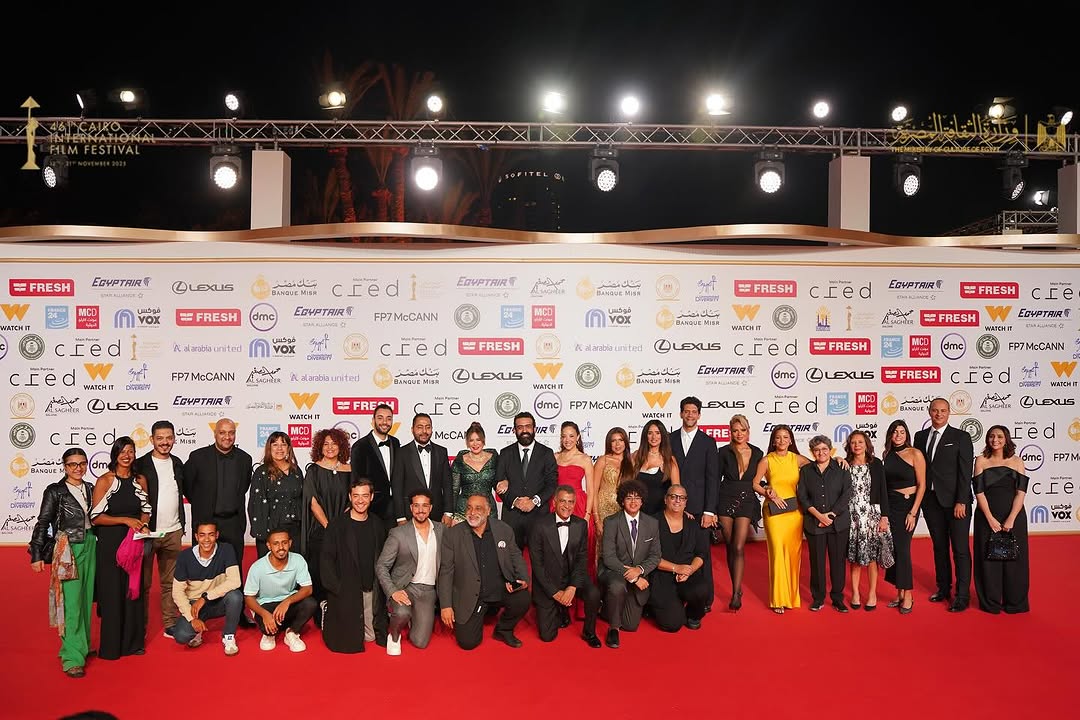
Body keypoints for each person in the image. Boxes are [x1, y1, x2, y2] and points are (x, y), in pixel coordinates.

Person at [29, 447, 96, 678]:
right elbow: (43, 522)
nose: (78, 468)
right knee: (70, 602)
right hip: (67, 548)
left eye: (82, 463)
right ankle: (71, 657)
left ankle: (81, 645)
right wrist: (36, 554)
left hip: (90, 543)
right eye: (72, 464)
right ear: (65, 467)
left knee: (86, 599)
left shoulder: (90, 488)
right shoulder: (55, 491)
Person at [438, 494, 531, 650]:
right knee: (468, 643)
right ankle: (481, 614)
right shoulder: (453, 535)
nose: (472, 512)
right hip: (472, 595)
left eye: (478, 508)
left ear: (488, 511)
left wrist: (523, 579)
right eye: (469, 508)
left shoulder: (503, 529)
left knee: (522, 598)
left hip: (500, 589)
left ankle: (504, 630)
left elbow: (516, 556)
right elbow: (446, 572)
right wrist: (445, 606)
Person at [89, 436, 151, 659]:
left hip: (134, 542)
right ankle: (112, 647)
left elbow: (146, 509)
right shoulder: (105, 480)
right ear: (115, 454)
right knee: (113, 593)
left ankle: (133, 644)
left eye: (130, 451)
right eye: (122, 451)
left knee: (132, 591)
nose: (127, 455)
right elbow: (96, 517)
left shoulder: (140, 480)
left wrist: (143, 524)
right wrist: (125, 520)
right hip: (110, 545)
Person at [913, 397, 975, 612]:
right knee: (939, 547)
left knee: (960, 549)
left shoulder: (961, 437)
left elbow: (965, 472)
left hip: (956, 503)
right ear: (929, 412)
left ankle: (962, 595)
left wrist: (962, 500)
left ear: (949, 413)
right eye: (935, 410)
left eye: (943, 410)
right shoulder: (920, 437)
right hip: (931, 502)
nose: (938, 414)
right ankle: (943, 588)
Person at [184, 418, 254, 603]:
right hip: (206, 521)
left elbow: (244, 487)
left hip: (233, 522)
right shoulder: (197, 457)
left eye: (231, 433)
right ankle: (197, 609)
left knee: (234, 568)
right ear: (215, 434)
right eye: (222, 432)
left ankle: (237, 610)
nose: (227, 437)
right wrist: (203, 506)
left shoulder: (245, 459)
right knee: (201, 568)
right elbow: (188, 488)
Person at [528, 485, 602, 647]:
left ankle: (589, 632)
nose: (567, 506)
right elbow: (537, 565)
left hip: (571, 576)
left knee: (593, 593)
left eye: (570, 502)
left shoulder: (580, 525)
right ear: (554, 502)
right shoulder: (539, 525)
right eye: (562, 501)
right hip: (549, 580)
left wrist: (572, 587)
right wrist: (555, 593)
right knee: (547, 636)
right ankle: (560, 609)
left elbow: (581, 559)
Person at [321, 479, 388, 652]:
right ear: (350, 497)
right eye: (356, 495)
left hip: (371, 591)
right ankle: (327, 608)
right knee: (348, 640)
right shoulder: (336, 526)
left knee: (371, 637)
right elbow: (326, 561)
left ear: (371, 497)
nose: (360, 500)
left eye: (365, 496)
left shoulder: (378, 524)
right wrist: (337, 589)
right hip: (346, 592)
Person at [376, 489, 446, 655]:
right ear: (411, 508)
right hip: (405, 587)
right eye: (416, 506)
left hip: (428, 591)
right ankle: (393, 635)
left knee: (420, 642)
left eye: (424, 506)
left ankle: (414, 615)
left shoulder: (442, 530)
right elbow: (381, 566)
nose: (420, 510)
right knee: (401, 613)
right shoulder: (398, 533)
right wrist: (393, 591)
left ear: (431, 508)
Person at [134, 420, 185, 638]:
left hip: (173, 531)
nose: (165, 442)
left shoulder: (178, 463)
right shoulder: (140, 465)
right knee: (143, 583)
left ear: (174, 439)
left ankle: (170, 623)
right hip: (147, 533)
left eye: (169, 438)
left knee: (170, 583)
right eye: (160, 438)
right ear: (152, 439)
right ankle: (139, 627)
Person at [752, 424, 809, 614]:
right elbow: (755, 483)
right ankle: (778, 599)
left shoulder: (797, 459)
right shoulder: (767, 460)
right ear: (773, 441)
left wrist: (839, 459)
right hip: (774, 512)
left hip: (794, 513)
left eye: (785, 437)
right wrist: (767, 491)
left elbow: (821, 466)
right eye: (778, 437)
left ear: (791, 440)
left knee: (793, 554)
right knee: (777, 553)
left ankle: (791, 597)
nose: (782, 440)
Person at [972, 426, 1029, 614]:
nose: (995, 440)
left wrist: (1011, 518)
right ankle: (991, 602)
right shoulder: (981, 460)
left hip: (1014, 516)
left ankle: (1015, 602)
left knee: (1015, 559)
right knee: (988, 559)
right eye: (991, 436)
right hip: (986, 516)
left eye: (999, 436)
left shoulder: (1017, 461)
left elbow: (1021, 493)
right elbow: (979, 492)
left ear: (1006, 439)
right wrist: (990, 518)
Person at [599, 479, 662, 648]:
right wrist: (634, 577)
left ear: (642, 501)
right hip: (614, 571)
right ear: (622, 501)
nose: (633, 502)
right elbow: (609, 557)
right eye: (628, 498)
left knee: (630, 625)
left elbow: (655, 555)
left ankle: (608, 607)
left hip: (638, 574)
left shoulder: (652, 523)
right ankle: (613, 629)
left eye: (637, 498)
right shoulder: (611, 522)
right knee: (617, 587)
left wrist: (640, 570)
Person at [670, 397, 719, 610]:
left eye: (694, 411)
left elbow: (712, 478)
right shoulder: (669, 439)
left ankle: (705, 599)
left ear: (699, 415)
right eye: (686, 411)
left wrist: (709, 510)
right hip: (673, 508)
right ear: (681, 413)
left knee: (701, 554)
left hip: (699, 510)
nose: (690, 415)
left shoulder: (708, 442)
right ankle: (674, 597)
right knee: (674, 552)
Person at [797, 435, 853, 613]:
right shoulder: (806, 471)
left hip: (838, 524)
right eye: (817, 450)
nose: (821, 453)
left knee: (838, 563)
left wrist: (831, 515)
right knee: (817, 563)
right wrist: (819, 516)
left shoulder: (841, 467)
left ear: (830, 450)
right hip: (814, 524)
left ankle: (837, 598)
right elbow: (803, 497)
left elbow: (847, 494)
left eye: (824, 449)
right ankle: (818, 598)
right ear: (812, 452)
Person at [170, 521, 242, 655]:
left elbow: (235, 581)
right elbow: (177, 592)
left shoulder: (226, 550)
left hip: (217, 600)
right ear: (196, 537)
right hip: (195, 606)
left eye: (211, 535)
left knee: (236, 597)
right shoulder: (185, 557)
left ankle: (229, 636)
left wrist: (205, 598)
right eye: (202, 535)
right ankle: (198, 631)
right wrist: (192, 619)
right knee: (181, 635)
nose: (207, 539)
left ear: (217, 535)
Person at [716, 414, 764, 611]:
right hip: (725, 498)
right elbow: (715, 479)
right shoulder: (723, 452)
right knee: (729, 545)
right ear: (731, 432)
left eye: (742, 430)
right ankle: (735, 586)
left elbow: (762, 476)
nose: (739, 434)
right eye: (735, 430)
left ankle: (736, 592)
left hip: (746, 500)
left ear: (748, 431)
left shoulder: (758, 452)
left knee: (738, 546)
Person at [302, 427, 352, 616]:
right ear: (319, 447)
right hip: (320, 530)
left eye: (334, 443)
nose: (330, 447)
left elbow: (353, 501)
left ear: (341, 446)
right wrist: (329, 527)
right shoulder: (313, 470)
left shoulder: (350, 470)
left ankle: (341, 609)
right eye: (326, 444)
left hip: (344, 529)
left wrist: (339, 526)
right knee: (320, 570)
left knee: (343, 570)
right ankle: (321, 610)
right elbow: (313, 502)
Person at [243, 528, 317, 652]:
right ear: (268, 546)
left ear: (290, 543)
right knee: (266, 627)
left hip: (287, 603)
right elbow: (248, 598)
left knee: (311, 603)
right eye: (276, 544)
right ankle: (269, 635)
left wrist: (287, 601)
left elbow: (308, 589)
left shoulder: (298, 560)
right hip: (266, 605)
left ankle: (291, 632)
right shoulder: (257, 567)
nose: (281, 547)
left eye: (284, 542)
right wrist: (264, 614)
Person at [844, 430, 894, 611]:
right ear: (849, 446)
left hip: (873, 515)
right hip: (853, 516)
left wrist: (884, 517)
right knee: (855, 558)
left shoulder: (876, 464)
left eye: (860, 442)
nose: (857, 445)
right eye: (853, 442)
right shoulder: (845, 465)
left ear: (866, 444)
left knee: (872, 557)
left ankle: (872, 593)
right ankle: (856, 593)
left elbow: (883, 491)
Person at [648, 485, 710, 631]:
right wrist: (676, 568)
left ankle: (692, 615)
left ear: (686, 502)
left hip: (687, 574)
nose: (677, 501)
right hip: (662, 576)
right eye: (673, 497)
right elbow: (649, 557)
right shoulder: (652, 523)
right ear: (665, 499)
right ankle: (661, 606)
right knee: (672, 624)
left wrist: (690, 570)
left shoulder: (692, 524)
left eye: (682, 498)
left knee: (701, 589)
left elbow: (701, 554)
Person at [494, 411, 558, 550]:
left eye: (528, 426)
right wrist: (516, 501)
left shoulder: (546, 453)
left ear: (534, 429)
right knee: (510, 560)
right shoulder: (505, 453)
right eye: (520, 427)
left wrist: (534, 501)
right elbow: (497, 482)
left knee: (539, 560)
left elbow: (552, 483)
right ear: (514, 430)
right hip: (512, 518)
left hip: (538, 516)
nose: (524, 430)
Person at [882, 420, 926, 615]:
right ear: (890, 435)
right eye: (895, 432)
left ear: (907, 434)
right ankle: (899, 593)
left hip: (908, 506)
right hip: (891, 505)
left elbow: (922, 485)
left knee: (903, 549)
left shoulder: (915, 453)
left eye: (902, 432)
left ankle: (908, 594)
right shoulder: (887, 455)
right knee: (894, 549)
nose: (898, 435)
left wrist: (913, 512)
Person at [248, 431, 305, 559]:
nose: (279, 448)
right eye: (275, 445)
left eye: (283, 444)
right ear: (269, 448)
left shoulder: (296, 470)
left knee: (295, 565)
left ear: (289, 448)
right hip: (270, 530)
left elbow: (302, 500)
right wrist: (265, 536)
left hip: (295, 531)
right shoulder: (261, 472)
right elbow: (256, 505)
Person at [392, 413, 452, 525]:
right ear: (412, 429)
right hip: (410, 515)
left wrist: (448, 512)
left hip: (437, 515)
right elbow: (397, 487)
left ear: (432, 429)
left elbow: (447, 484)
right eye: (420, 427)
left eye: (428, 427)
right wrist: (400, 517)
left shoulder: (441, 451)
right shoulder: (402, 453)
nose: (424, 431)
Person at [553, 421, 596, 571]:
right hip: (557, 503)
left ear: (578, 437)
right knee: (556, 547)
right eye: (564, 436)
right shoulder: (555, 457)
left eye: (571, 436)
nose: (567, 440)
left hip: (578, 505)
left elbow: (591, 490)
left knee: (579, 549)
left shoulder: (585, 459)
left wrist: (587, 515)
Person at [350, 402, 399, 526]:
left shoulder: (396, 443)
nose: (385, 422)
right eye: (380, 418)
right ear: (373, 420)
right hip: (372, 508)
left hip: (395, 509)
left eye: (389, 418)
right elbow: (357, 479)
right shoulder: (360, 446)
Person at [592, 427, 634, 571]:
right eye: (613, 441)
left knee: (622, 548)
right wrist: (596, 519)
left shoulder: (632, 461)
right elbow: (594, 490)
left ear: (626, 442)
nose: (617, 444)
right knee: (603, 549)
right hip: (604, 511)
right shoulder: (602, 460)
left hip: (623, 511)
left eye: (620, 440)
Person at [449, 421, 498, 524]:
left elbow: (500, 480)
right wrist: (451, 515)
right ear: (467, 442)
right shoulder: (460, 460)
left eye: (478, 440)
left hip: (487, 509)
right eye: (471, 440)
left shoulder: (494, 458)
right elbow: (454, 490)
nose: (475, 444)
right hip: (464, 511)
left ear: (483, 440)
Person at [631, 420, 682, 516]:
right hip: (637, 512)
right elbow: (628, 483)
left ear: (662, 435)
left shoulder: (669, 459)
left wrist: (680, 511)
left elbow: (676, 490)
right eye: (650, 433)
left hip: (659, 514)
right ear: (645, 436)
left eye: (657, 433)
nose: (654, 437)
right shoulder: (636, 456)